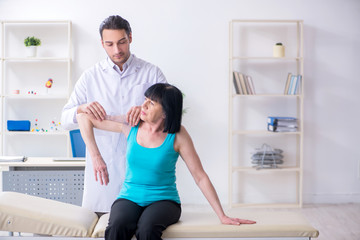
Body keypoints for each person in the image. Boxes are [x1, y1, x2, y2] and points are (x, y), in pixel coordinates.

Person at [76, 83, 256, 240]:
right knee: (117, 227)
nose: (143, 105)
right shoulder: (131, 125)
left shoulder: (178, 135)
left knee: (146, 230)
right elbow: (83, 118)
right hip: (129, 197)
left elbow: (200, 176)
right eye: (145, 99)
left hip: (164, 201)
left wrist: (222, 215)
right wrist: (96, 155)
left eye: (151, 103)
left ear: (166, 112)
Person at [61, 15, 167, 214]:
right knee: (103, 225)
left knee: (141, 225)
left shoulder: (151, 73)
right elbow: (65, 119)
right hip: (103, 168)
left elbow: (169, 116)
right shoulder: (90, 77)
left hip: (140, 165)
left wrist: (147, 112)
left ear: (130, 38)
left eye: (121, 42)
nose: (117, 50)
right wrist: (81, 108)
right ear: (102, 44)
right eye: (109, 44)